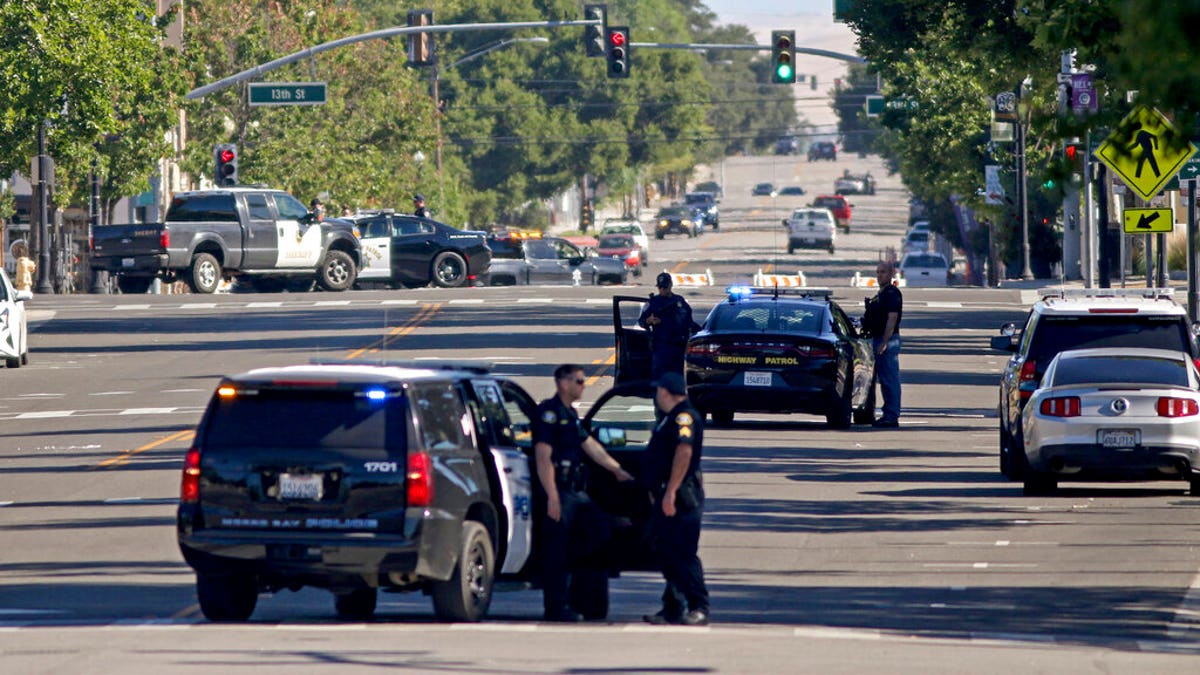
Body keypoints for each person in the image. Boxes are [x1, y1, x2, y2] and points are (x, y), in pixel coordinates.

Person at [533, 364, 634, 622]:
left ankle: (585, 599)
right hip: (560, 490)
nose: (583, 385)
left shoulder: (570, 415)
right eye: (579, 381)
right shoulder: (549, 413)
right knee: (555, 552)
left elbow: (590, 446)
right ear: (563, 384)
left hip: (577, 491)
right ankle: (555, 609)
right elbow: (543, 458)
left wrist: (618, 470)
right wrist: (552, 497)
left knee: (598, 532)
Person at [642, 372, 709, 626]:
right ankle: (673, 606)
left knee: (684, 554)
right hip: (667, 494)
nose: (656, 395)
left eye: (658, 390)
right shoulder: (670, 417)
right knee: (667, 553)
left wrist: (671, 491)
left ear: (666, 392)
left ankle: (699, 606)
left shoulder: (684, 416)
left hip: (682, 497)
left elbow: (684, 452)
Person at [638, 273, 700, 379]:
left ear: (671, 285)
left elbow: (689, 321)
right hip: (662, 346)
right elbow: (641, 321)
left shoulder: (679, 301)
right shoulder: (653, 302)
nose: (662, 290)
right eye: (660, 287)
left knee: (678, 378)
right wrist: (649, 321)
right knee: (660, 378)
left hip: (679, 346)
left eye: (665, 287)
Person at [863, 261, 903, 427]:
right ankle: (888, 413)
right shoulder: (881, 293)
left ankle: (891, 416)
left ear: (891, 273)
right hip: (878, 338)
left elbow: (892, 319)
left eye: (883, 272)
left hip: (887, 340)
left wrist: (885, 342)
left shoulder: (892, 293)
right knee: (884, 380)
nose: (879, 275)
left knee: (889, 380)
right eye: (878, 272)